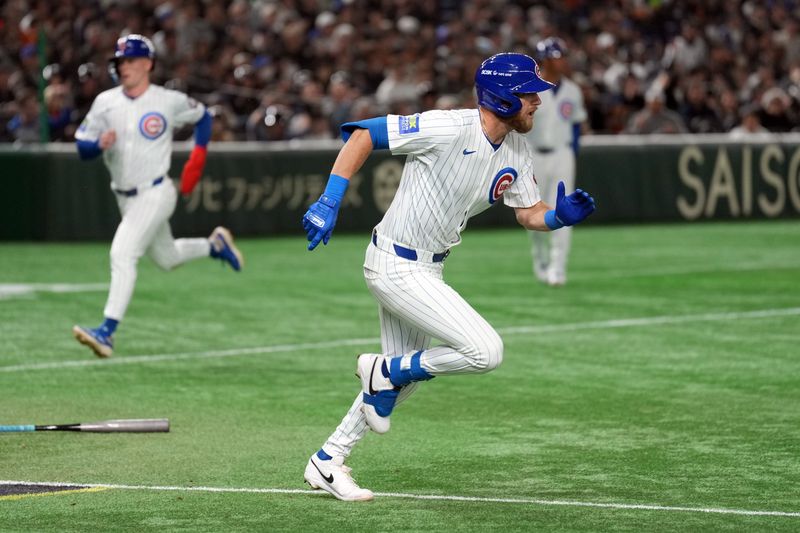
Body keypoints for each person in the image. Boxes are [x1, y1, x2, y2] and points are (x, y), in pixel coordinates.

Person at [300, 52, 596, 501]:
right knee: (484, 351)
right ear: (500, 99)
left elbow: (529, 213)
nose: (537, 100)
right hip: (394, 264)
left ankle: (328, 460)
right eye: (528, 93)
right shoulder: (448, 126)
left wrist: (558, 218)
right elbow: (363, 134)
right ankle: (385, 370)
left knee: (400, 383)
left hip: (428, 267)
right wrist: (329, 199)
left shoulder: (515, 148)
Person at [72, 34, 244, 358]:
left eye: (131, 60)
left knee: (122, 255)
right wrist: (98, 145)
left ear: (148, 63)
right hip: (124, 197)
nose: (124, 67)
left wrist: (198, 154)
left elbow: (203, 115)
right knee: (167, 258)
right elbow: (82, 146)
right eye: (120, 61)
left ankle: (107, 332)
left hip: (155, 191)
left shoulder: (167, 100)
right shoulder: (105, 102)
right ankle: (214, 245)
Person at [524, 37, 588, 286]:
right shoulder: (531, 88)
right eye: (555, 57)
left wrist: (573, 152)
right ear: (544, 60)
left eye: (561, 56)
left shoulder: (573, 90)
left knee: (564, 208)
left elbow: (575, 125)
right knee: (533, 211)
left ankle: (558, 268)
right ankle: (540, 258)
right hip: (533, 155)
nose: (560, 61)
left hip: (562, 154)